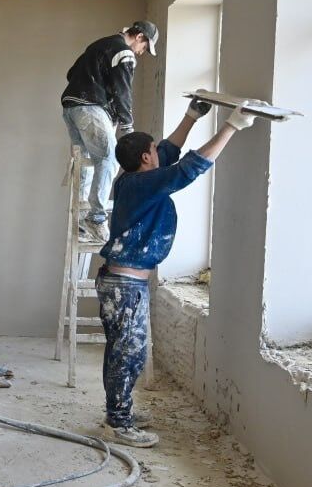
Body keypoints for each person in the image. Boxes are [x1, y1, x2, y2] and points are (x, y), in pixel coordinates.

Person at [96, 98, 256, 448]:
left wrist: (191, 117)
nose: (159, 152)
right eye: (153, 150)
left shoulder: (133, 179)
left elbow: (168, 152)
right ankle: (117, 423)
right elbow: (187, 169)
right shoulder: (143, 185)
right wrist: (231, 126)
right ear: (145, 158)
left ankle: (118, 412)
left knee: (125, 350)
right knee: (128, 353)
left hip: (123, 283)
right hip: (124, 286)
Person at [60, 21, 160, 244]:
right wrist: (128, 128)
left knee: (86, 162)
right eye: (144, 47)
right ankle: (96, 218)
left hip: (71, 108)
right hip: (89, 109)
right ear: (139, 37)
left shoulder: (101, 44)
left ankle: (81, 222)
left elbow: (71, 74)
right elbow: (123, 91)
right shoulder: (125, 53)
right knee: (110, 158)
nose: (141, 52)